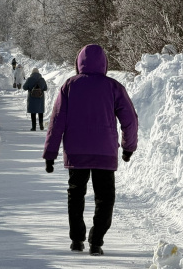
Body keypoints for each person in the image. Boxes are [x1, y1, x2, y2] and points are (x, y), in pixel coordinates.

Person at [42, 44, 138, 256]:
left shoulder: (69, 86)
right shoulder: (114, 87)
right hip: (105, 152)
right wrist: (128, 147)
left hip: (76, 152)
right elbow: (129, 119)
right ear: (105, 63)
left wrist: (50, 154)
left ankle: (77, 240)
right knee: (105, 197)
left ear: (78, 63)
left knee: (76, 195)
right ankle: (96, 241)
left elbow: (57, 121)